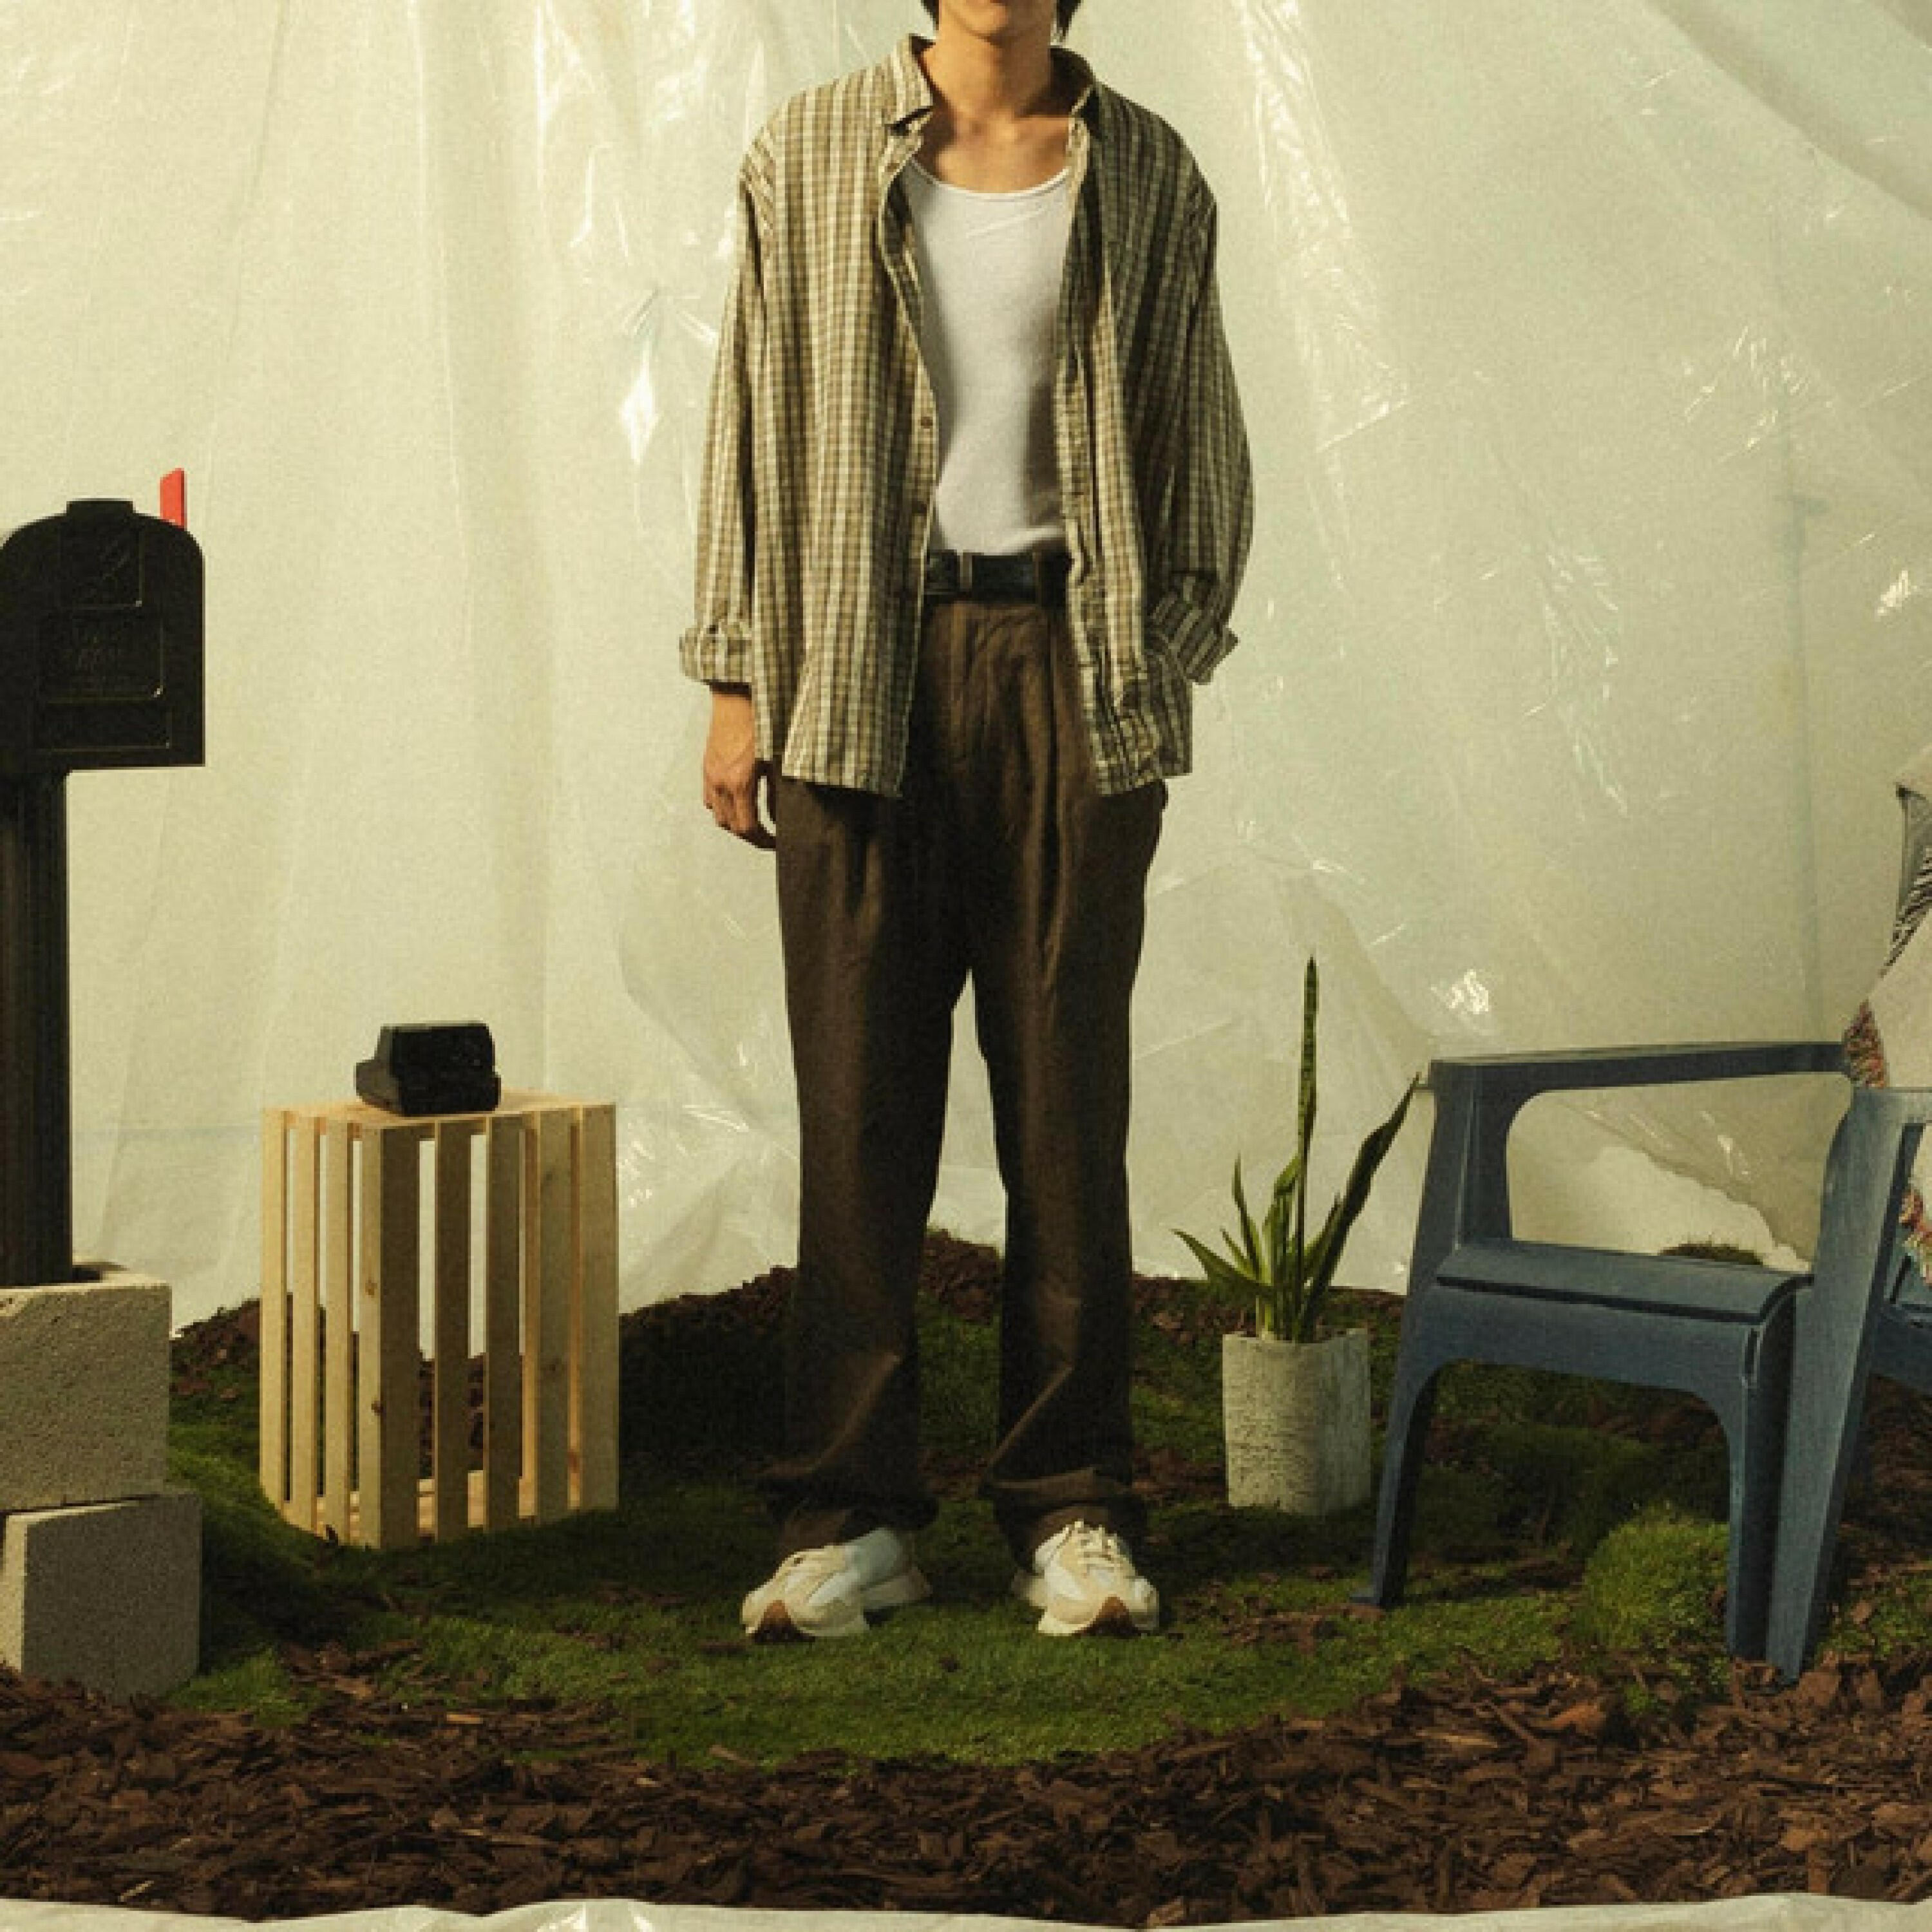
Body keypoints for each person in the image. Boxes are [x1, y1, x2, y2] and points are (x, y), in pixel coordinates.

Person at [681, 0, 1252, 1642]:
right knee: (857, 1104)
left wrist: (1154, 655)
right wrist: (736, 675)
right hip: (854, 664)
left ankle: (1070, 1507)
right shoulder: (808, 151)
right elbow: (747, 417)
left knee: (1067, 1104)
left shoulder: (1147, 170)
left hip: (1067, 667)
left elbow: (1199, 435)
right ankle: (850, 1517)